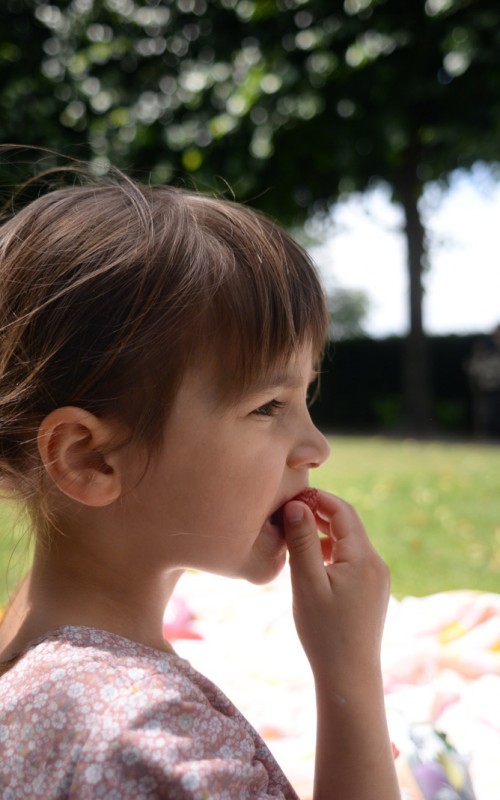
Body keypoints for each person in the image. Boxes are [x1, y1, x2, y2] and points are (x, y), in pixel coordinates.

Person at [0, 163, 399, 799]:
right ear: (89, 460)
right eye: (268, 406)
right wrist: (349, 672)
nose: (316, 448)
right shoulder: (148, 743)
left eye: (307, 394)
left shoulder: (37, 657)